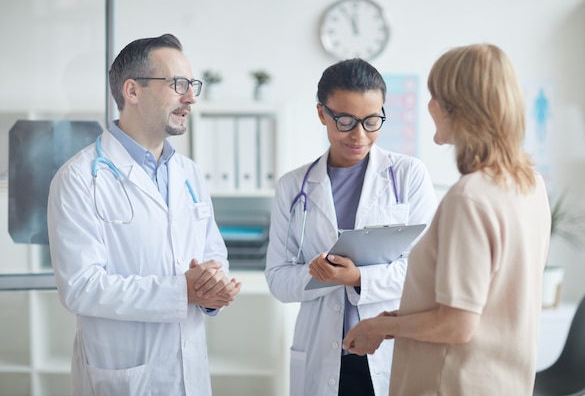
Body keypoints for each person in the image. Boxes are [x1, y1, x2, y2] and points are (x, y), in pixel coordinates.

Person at [343, 44, 552, 396]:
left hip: (452, 384)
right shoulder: (529, 185)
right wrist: (397, 319)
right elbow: (489, 301)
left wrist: (377, 328)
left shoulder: (469, 198)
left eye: (434, 96)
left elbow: (456, 325)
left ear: (459, 109)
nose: (429, 106)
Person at [47, 33, 241, 396]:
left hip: (190, 371)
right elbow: (80, 287)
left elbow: (214, 255)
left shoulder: (189, 173)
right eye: (178, 84)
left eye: (192, 84)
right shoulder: (78, 178)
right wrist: (181, 290)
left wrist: (215, 288)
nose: (191, 97)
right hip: (124, 377)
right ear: (132, 91)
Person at [265, 58, 438, 396]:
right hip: (321, 351)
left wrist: (358, 278)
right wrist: (321, 276)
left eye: (372, 121)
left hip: (387, 347)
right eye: (345, 121)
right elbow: (277, 279)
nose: (359, 135)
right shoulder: (292, 186)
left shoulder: (408, 175)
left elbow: (426, 271)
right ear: (321, 114)